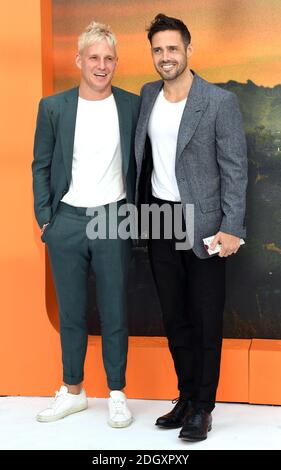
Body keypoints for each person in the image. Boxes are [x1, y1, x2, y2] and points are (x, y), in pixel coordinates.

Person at [135, 14, 247, 441]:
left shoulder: (218, 102)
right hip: (160, 220)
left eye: (172, 48)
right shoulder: (148, 95)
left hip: (204, 226)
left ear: (188, 50)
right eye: (158, 50)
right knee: (174, 315)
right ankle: (184, 397)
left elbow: (235, 170)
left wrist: (232, 227)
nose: (165, 57)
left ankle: (203, 406)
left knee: (204, 318)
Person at [32, 21, 139, 427]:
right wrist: (46, 220)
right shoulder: (54, 107)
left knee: (115, 311)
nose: (101, 65)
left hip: (114, 219)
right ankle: (73, 391)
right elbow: (40, 165)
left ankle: (116, 393)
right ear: (79, 60)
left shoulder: (131, 105)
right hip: (67, 222)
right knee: (72, 312)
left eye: (109, 58)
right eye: (94, 57)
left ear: (115, 63)